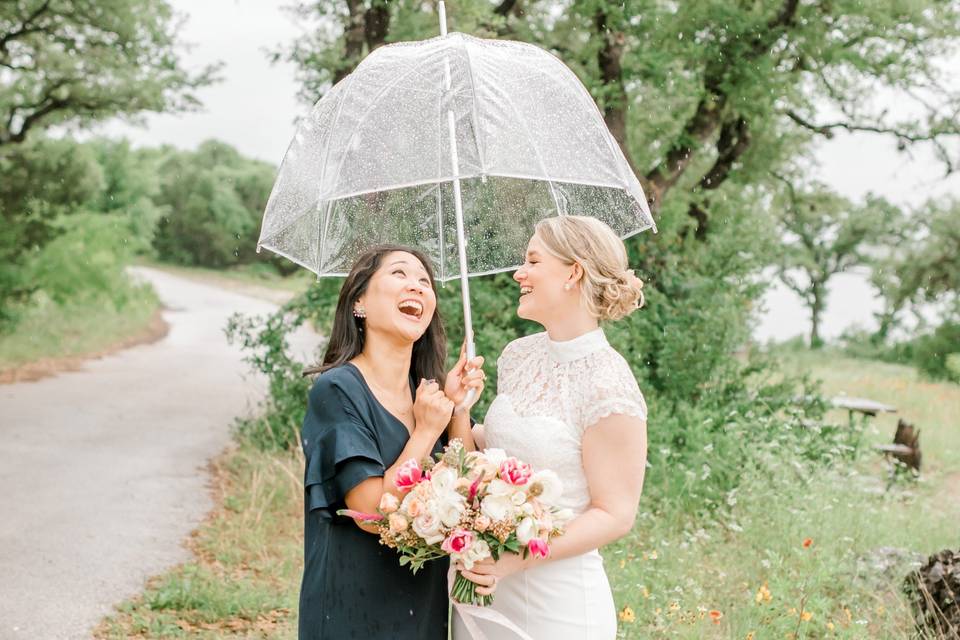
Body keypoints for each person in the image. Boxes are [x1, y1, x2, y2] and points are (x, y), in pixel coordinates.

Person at [454, 216, 649, 639]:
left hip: (558, 605)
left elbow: (614, 514)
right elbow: (499, 453)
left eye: (532, 261)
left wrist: (517, 558)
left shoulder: (608, 384)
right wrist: (459, 408)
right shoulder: (516, 356)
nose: (518, 273)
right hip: (485, 589)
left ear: (572, 272)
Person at [298, 244, 485, 640]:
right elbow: (370, 510)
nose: (416, 287)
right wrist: (424, 433)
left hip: (423, 601)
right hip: (352, 606)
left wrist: (458, 410)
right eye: (399, 274)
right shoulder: (338, 389)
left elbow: (469, 497)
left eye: (424, 281)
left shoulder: (427, 395)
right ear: (359, 301)